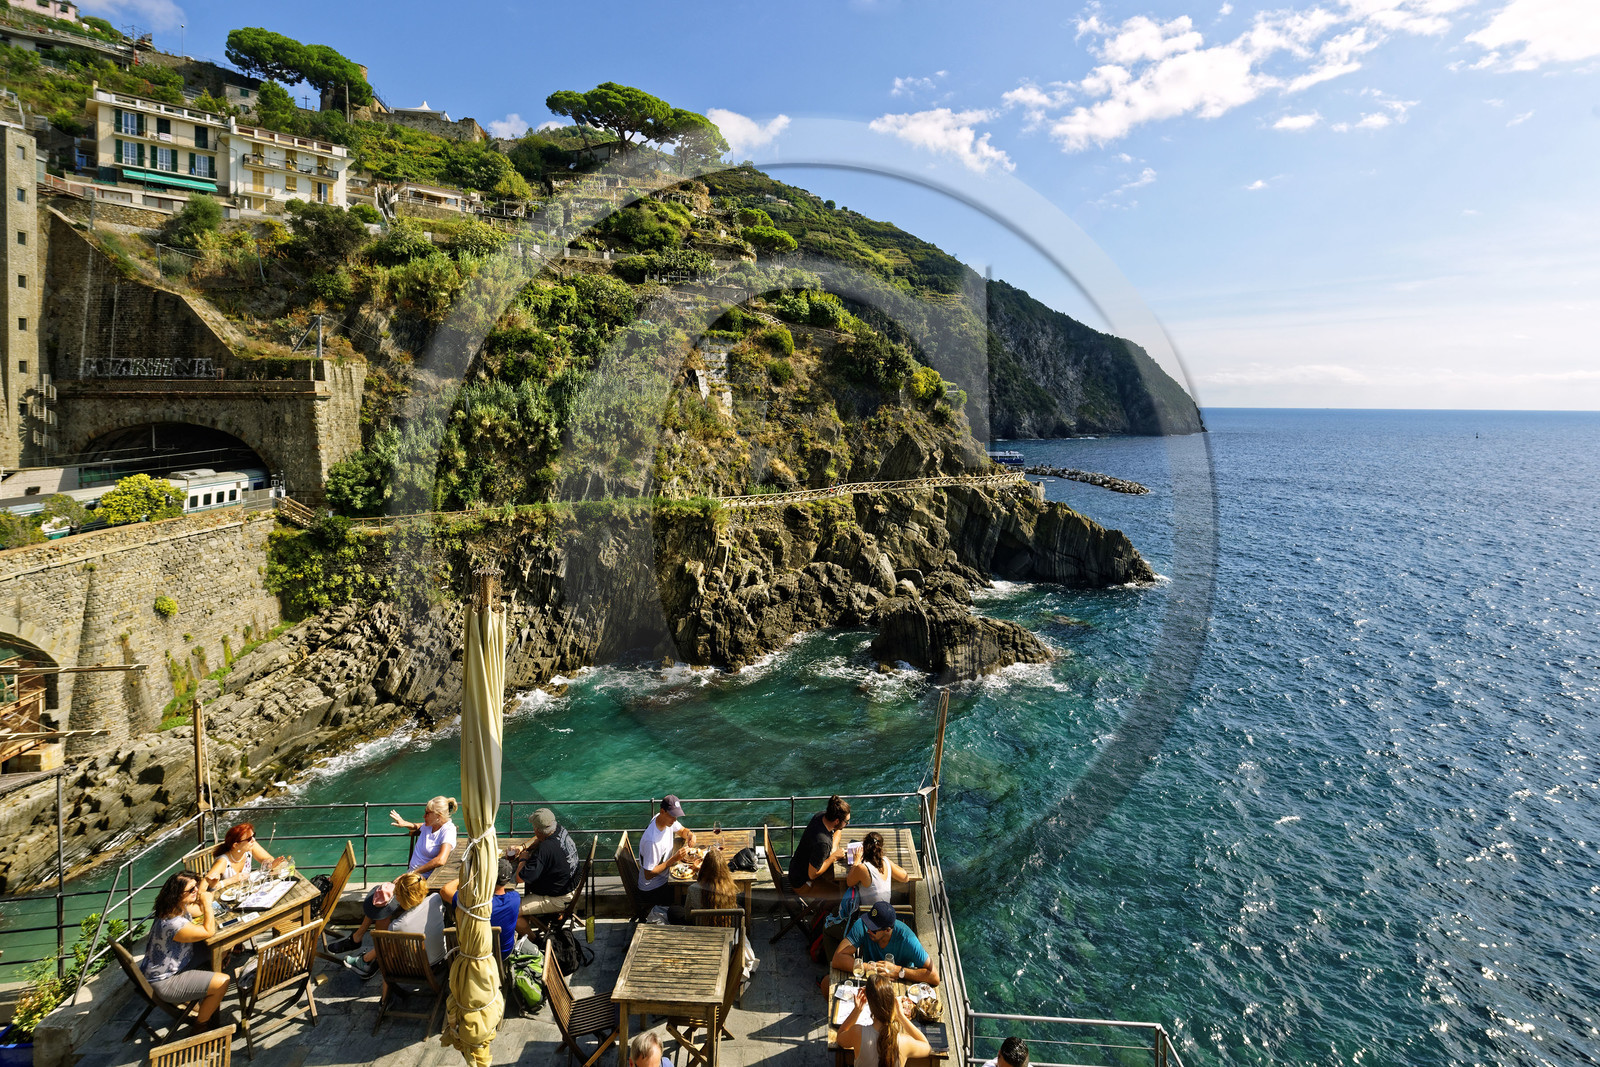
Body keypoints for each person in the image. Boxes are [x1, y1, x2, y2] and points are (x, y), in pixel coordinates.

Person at [329, 796, 457, 954]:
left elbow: (441, 859)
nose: (424, 816)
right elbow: (419, 826)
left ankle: (377, 951)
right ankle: (359, 938)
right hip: (410, 876)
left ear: (438, 816)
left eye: (427, 813)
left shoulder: (447, 831)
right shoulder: (430, 825)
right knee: (379, 897)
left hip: (419, 882)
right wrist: (406, 824)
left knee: (383, 906)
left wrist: (410, 874)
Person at [139, 871, 231, 1030]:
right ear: (177, 894)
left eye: (196, 886)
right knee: (223, 982)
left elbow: (201, 911)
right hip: (166, 980)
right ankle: (201, 1024)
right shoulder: (173, 924)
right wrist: (208, 903)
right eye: (191, 890)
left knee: (224, 946)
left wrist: (206, 892)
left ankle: (203, 988)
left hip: (172, 964)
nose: (196, 890)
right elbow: (208, 931)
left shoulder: (175, 908)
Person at [342, 871, 445, 980]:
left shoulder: (397, 925)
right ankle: (365, 960)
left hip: (419, 969)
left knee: (388, 951)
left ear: (405, 897)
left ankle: (367, 964)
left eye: (397, 894)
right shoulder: (436, 898)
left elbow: (388, 950)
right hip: (442, 959)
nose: (396, 898)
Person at [831, 900, 940, 986]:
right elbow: (837, 959)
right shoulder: (862, 925)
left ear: (888, 930)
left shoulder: (907, 938)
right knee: (826, 983)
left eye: (873, 929)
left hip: (901, 983)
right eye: (868, 924)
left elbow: (934, 976)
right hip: (872, 981)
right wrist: (870, 968)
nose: (868, 930)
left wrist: (899, 972)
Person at [837, 972, 933, 1067]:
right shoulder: (904, 1042)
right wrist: (901, 1016)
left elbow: (840, 1039)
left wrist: (857, 1010)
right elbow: (927, 1048)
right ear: (893, 1003)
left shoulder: (857, 1033)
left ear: (869, 1003)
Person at [507, 807, 579, 934]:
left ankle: (535, 941)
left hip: (560, 898)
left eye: (534, 828)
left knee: (510, 911)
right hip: (571, 885)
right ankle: (556, 916)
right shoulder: (559, 829)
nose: (534, 830)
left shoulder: (545, 849)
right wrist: (524, 846)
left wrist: (523, 859)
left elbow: (520, 878)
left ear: (538, 830)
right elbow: (538, 839)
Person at [440, 857, 521, 960]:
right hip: (503, 955)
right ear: (508, 879)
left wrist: (471, 876)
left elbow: (445, 890)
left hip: (475, 954)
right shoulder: (515, 898)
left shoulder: (474, 903)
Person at [789, 794, 850, 900]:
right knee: (842, 896)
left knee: (845, 883)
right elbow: (813, 874)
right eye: (846, 822)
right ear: (836, 821)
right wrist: (833, 857)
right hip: (802, 883)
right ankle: (825, 915)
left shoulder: (820, 816)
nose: (847, 824)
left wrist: (833, 849)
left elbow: (838, 831)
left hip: (795, 869)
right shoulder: (822, 843)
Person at [638, 795, 694, 907]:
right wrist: (673, 859)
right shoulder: (652, 841)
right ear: (662, 811)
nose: (674, 820)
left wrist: (690, 835)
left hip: (664, 879)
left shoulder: (664, 821)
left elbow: (682, 830)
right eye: (672, 815)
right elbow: (648, 874)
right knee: (691, 895)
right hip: (653, 890)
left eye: (676, 816)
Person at [201, 822, 285, 891]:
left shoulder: (250, 847)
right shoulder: (223, 862)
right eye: (249, 839)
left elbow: (268, 859)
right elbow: (202, 888)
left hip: (245, 891)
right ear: (236, 845)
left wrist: (270, 865)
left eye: (253, 836)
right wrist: (231, 880)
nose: (253, 840)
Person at [845, 831, 908, 908]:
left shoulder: (862, 868)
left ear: (864, 848)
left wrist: (856, 861)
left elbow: (849, 882)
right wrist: (890, 863)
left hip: (869, 914)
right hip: (886, 912)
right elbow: (905, 878)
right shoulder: (886, 861)